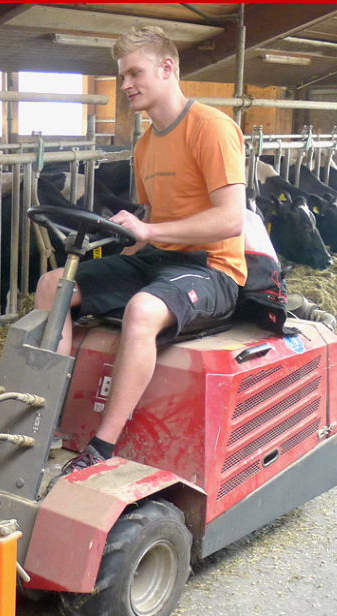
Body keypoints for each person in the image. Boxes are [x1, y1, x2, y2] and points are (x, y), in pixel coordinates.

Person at [35, 26, 247, 475]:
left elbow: (231, 219)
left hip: (213, 266)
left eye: (135, 73)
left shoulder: (211, 128)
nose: (126, 84)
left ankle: (102, 444)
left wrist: (149, 230)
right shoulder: (146, 144)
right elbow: (155, 213)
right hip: (160, 259)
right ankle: (46, 417)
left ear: (167, 68)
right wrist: (135, 241)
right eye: (122, 76)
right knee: (53, 285)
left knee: (142, 310)